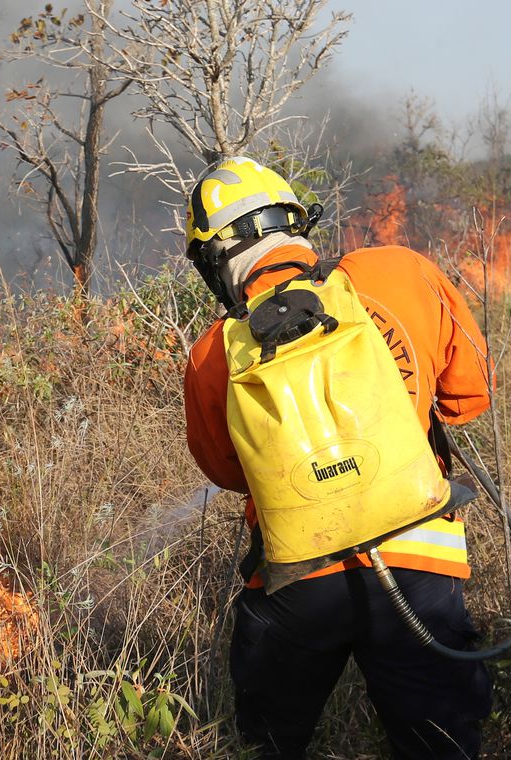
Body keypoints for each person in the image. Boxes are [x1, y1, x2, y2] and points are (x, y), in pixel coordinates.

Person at [181, 156, 493, 758]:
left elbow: (227, 472)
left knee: (268, 742)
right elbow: (471, 394)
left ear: (215, 259)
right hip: (420, 559)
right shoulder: (399, 271)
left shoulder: (212, 354)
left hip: (296, 579)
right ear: (294, 220)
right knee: (440, 744)